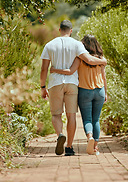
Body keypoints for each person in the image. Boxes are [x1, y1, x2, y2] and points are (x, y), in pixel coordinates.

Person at [40, 20, 107, 156]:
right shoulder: (77, 45)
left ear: (59, 30)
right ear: (71, 31)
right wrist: (103, 61)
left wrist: (42, 87)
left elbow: (44, 69)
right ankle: (69, 147)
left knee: (56, 114)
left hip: (55, 84)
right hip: (72, 84)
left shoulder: (49, 45)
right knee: (72, 116)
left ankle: (60, 134)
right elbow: (89, 60)